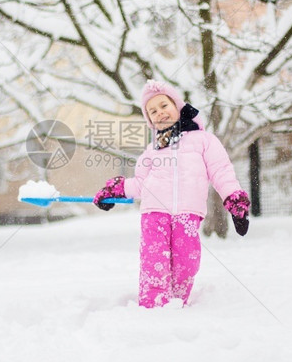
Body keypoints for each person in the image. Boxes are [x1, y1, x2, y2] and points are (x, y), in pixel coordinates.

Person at [93, 79, 250, 308]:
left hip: (188, 213)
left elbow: (221, 172)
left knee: (187, 262)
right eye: (152, 111)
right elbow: (139, 183)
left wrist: (234, 200)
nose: (160, 113)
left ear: (177, 105)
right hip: (153, 213)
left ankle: (176, 305)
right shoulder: (152, 150)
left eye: (164, 106)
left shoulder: (204, 141)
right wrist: (116, 191)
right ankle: (153, 307)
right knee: (154, 263)